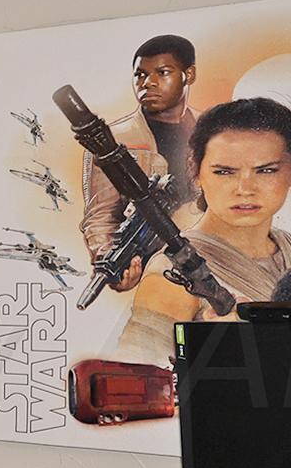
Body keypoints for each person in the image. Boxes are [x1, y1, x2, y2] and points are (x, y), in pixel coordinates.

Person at [130, 96, 291, 323]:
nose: (245, 189)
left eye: (266, 171)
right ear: (195, 171)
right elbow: (137, 359)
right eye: (225, 172)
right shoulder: (172, 272)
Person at [78, 32, 201, 287]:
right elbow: (101, 215)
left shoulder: (214, 131)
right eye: (140, 75)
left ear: (188, 75)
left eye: (162, 72)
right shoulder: (113, 139)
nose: (148, 83)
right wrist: (109, 258)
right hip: (156, 274)